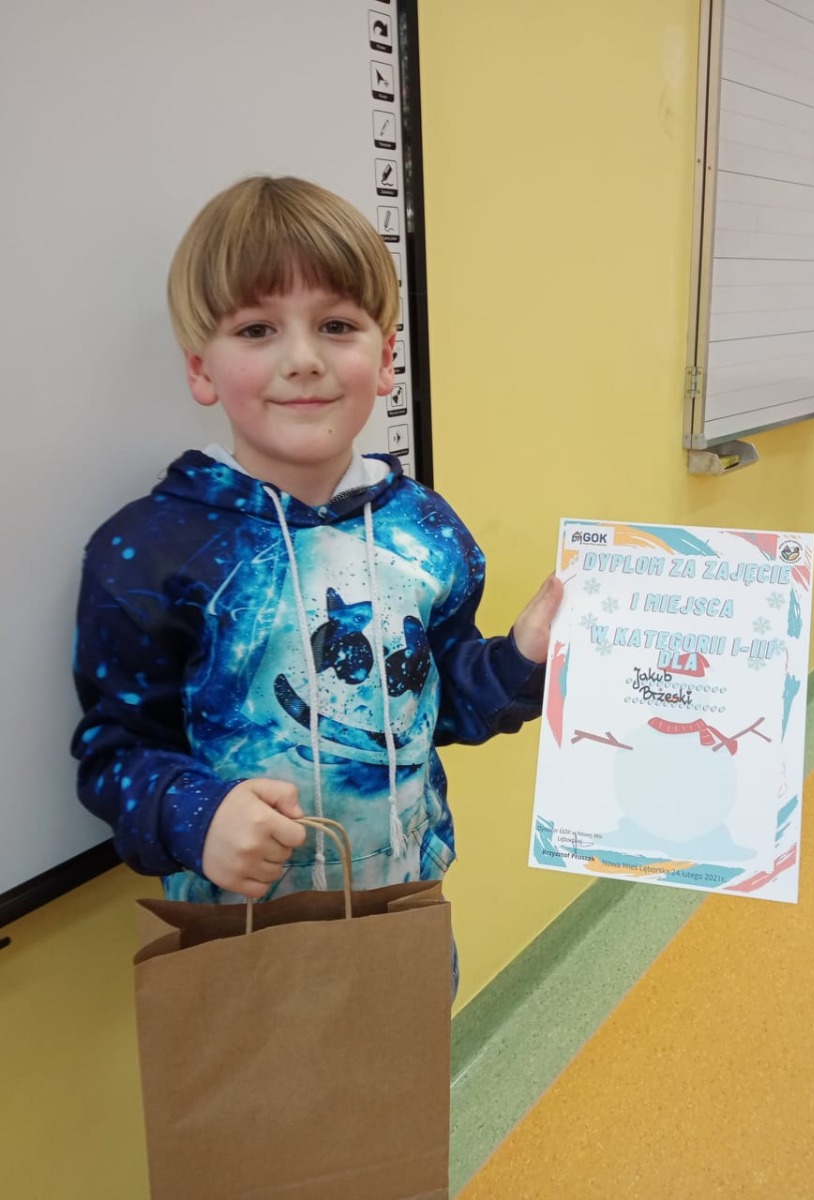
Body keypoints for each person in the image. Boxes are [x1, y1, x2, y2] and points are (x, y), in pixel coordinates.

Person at [71, 176, 562, 946]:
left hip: (405, 912)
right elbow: (113, 755)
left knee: (412, 1034)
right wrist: (196, 815)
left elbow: (438, 703)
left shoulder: (426, 529)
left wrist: (521, 661)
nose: (302, 360)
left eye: (336, 325)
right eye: (257, 330)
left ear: (386, 359)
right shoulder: (150, 553)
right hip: (237, 942)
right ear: (200, 368)